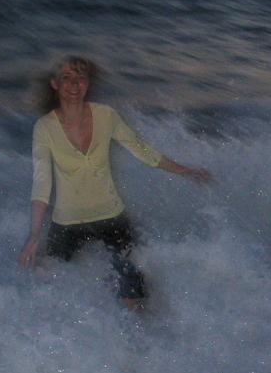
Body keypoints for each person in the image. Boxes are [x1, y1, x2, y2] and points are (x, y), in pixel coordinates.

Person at [18, 55, 211, 310]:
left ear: (88, 83)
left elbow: (143, 151)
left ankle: (134, 325)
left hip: (111, 218)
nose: (74, 84)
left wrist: (185, 170)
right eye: (67, 78)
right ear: (55, 84)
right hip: (67, 222)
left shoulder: (106, 116)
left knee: (133, 297)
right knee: (47, 285)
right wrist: (34, 234)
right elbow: (42, 182)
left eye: (80, 78)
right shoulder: (44, 128)